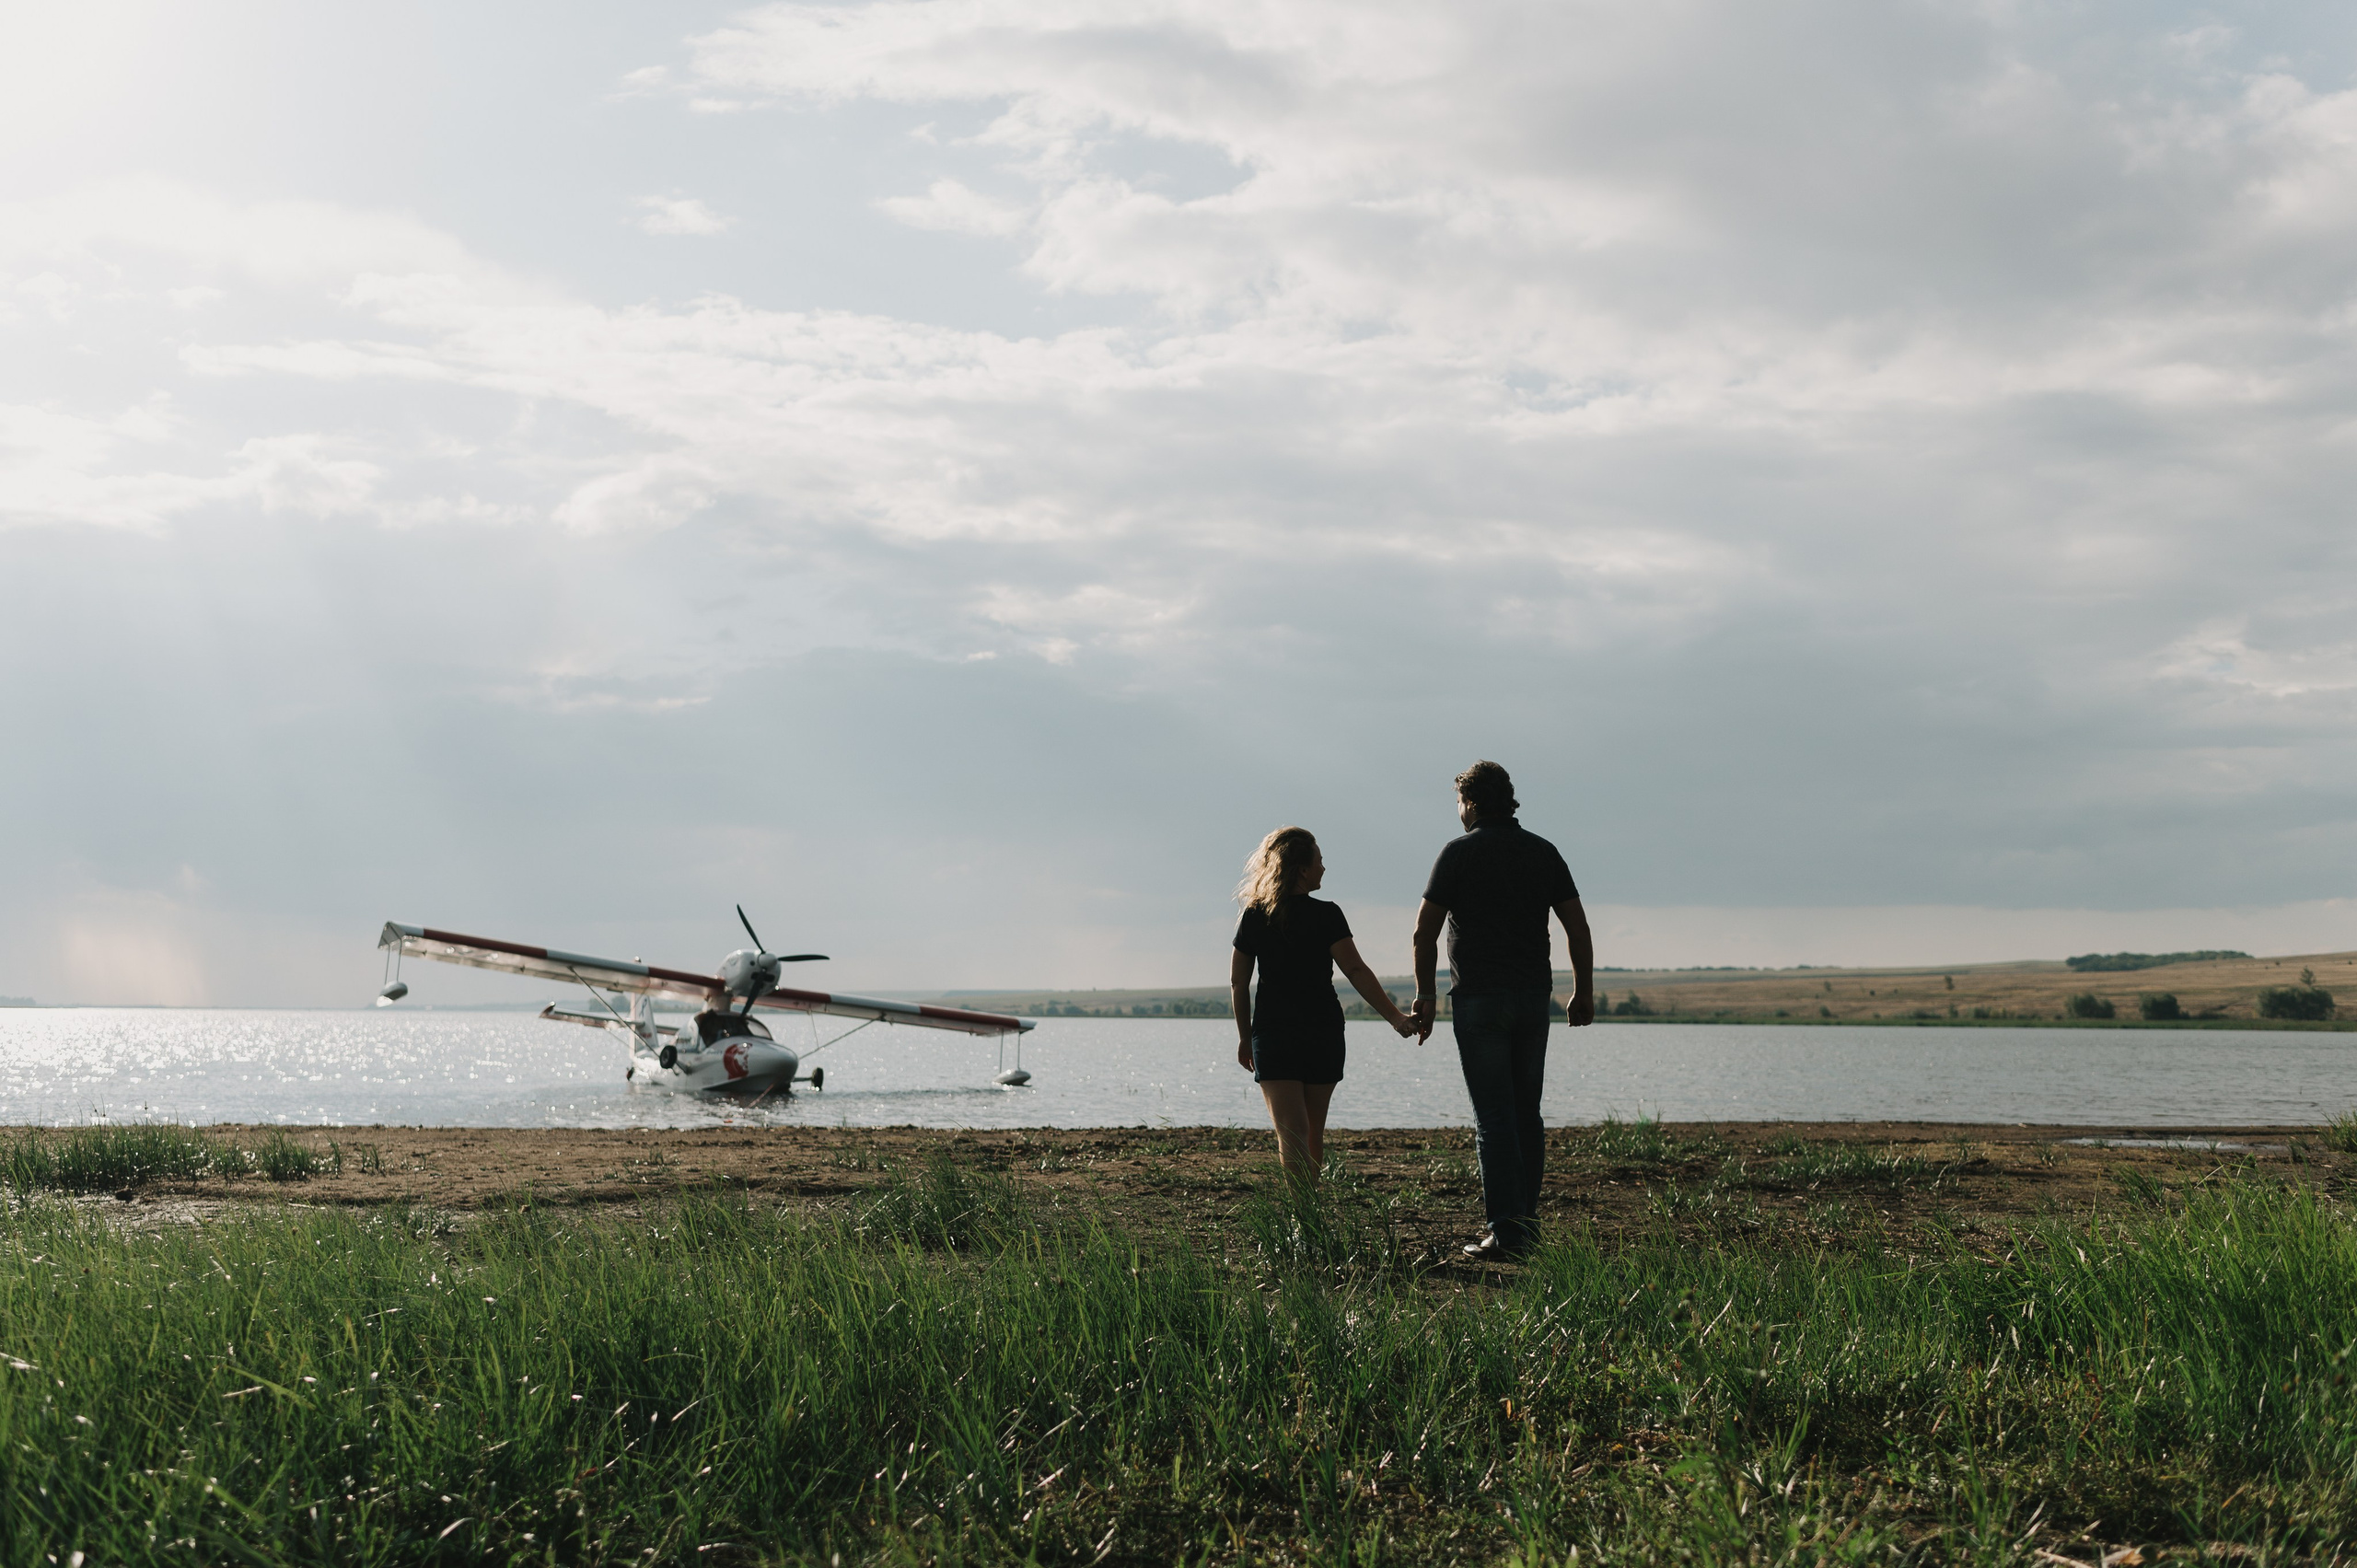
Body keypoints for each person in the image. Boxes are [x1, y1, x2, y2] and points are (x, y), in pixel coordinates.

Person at [1408, 761, 1594, 1259]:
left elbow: (1424, 931)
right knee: (1525, 1114)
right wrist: (1584, 991)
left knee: (1494, 1118)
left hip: (1479, 1002)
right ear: (1507, 800)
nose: (1459, 813)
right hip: (1534, 999)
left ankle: (1506, 1233)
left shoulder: (1457, 853)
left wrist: (1425, 996)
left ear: (1471, 803)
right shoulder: (1542, 851)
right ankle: (1524, 1227)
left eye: (1459, 804)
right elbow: (1577, 927)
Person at [1231, 826, 1419, 1180]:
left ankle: (1305, 1220)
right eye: (1319, 862)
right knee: (1307, 1132)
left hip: (1278, 1034)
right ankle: (1306, 1219)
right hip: (1319, 1032)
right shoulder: (1326, 914)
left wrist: (1245, 1036)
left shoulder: (1255, 915)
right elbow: (1356, 970)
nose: (1323, 869)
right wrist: (1395, 1019)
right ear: (1302, 869)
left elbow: (1239, 983)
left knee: (1295, 1132)